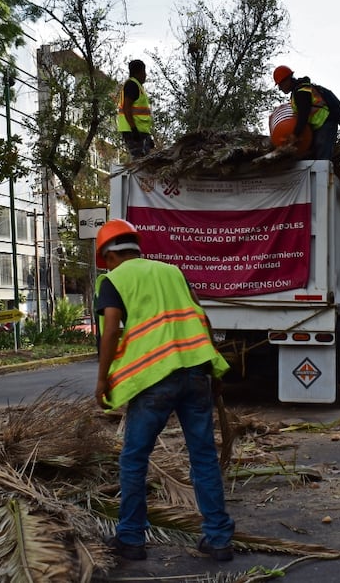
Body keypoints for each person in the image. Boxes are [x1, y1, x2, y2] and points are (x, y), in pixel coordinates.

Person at [93, 219, 235, 562]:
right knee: (203, 456)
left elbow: (111, 330)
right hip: (196, 371)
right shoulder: (173, 272)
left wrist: (102, 380)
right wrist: (212, 366)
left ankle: (130, 538)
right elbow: (201, 317)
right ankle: (218, 539)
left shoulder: (114, 280)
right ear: (135, 248)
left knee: (134, 458)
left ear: (109, 258)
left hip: (155, 378)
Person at [273, 65, 338, 160]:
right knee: (314, 156)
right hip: (319, 125)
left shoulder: (302, 91)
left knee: (322, 159)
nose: (279, 88)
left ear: (287, 80)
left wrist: (295, 134)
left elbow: (303, 114)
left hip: (326, 122)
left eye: (280, 85)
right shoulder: (297, 92)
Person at [117, 59, 154, 160]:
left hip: (140, 132)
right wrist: (134, 129)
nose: (145, 75)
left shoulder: (138, 87)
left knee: (144, 162)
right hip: (134, 131)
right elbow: (126, 107)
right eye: (144, 72)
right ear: (139, 72)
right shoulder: (132, 85)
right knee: (139, 163)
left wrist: (148, 137)